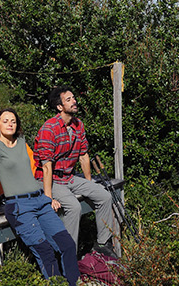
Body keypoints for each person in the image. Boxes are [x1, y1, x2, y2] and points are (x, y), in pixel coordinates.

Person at [0, 107, 80, 286]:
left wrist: (48, 197)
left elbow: (33, 173)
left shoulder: (21, 143)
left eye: (13, 121)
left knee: (67, 245)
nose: (10, 124)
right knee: (45, 252)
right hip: (19, 206)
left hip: (39, 200)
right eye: (6, 120)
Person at [34, 87, 120, 257]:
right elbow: (46, 166)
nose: (74, 101)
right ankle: (68, 255)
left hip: (69, 177)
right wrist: (48, 198)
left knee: (104, 196)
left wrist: (89, 184)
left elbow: (83, 156)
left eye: (74, 98)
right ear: (59, 107)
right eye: (68, 99)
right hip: (51, 179)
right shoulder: (49, 129)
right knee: (73, 207)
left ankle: (102, 243)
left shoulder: (78, 125)